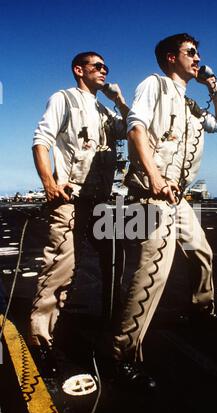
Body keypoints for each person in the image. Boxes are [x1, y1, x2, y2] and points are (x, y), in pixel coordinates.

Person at [110, 33, 217, 390]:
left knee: (202, 253)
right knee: (153, 274)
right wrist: (154, 178)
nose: (197, 59)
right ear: (170, 57)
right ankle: (122, 355)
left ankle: (201, 311)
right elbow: (136, 129)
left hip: (177, 198)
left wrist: (213, 87)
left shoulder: (191, 105)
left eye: (198, 54)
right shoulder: (155, 85)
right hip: (152, 195)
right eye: (191, 53)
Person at [28, 51, 129, 373]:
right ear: (79, 70)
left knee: (115, 264)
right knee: (61, 268)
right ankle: (41, 340)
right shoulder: (63, 99)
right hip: (72, 197)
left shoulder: (105, 110)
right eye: (97, 66)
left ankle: (110, 328)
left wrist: (120, 99)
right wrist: (48, 182)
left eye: (106, 67)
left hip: (104, 200)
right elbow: (41, 141)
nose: (103, 71)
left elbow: (132, 130)